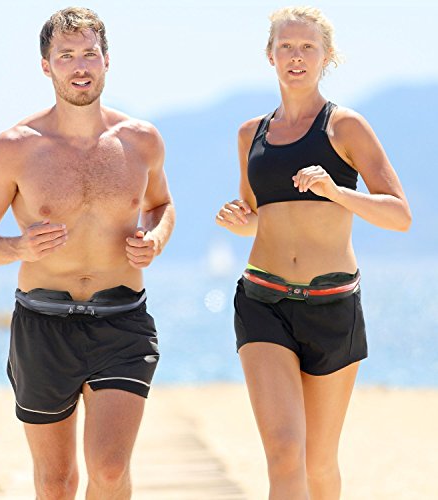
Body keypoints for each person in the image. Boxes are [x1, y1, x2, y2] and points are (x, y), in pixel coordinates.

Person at [0, 7, 174, 500]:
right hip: (43, 323)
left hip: (121, 319)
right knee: (56, 484)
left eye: (89, 54)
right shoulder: (15, 147)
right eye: (66, 56)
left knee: (109, 469)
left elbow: (161, 205)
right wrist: (17, 246)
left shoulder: (141, 140)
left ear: (106, 61)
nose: (80, 66)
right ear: (46, 66)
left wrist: (156, 239)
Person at [216, 6, 410, 500]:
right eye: (286, 46)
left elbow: (399, 215)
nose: (296, 56)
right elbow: (259, 216)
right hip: (263, 301)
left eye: (307, 47)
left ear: (327, 57)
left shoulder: (346, 127)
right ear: (270, 55)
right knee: (285, 453)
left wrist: (337, 192)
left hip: (332, 305)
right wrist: (241, 220)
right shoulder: (250, 134)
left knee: (318, 464)